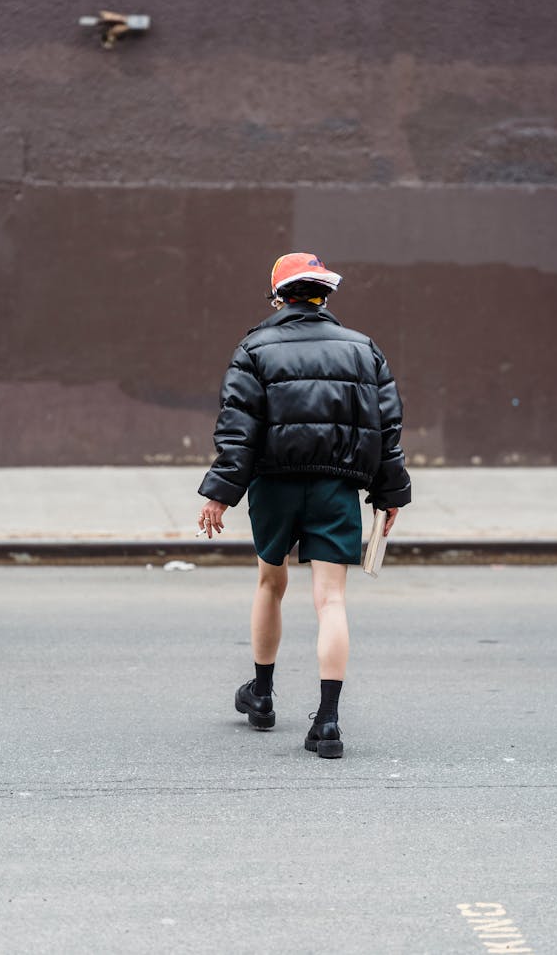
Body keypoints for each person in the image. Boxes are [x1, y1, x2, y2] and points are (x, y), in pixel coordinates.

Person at [197, 253, 411, 759]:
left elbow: (238, 431)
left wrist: (219, 493)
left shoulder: (254, 348)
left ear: (278, 297)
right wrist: (390, 493)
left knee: (271, 582)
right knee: (331, 601)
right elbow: (387, 429)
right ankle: (329, 723)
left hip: (274, 486)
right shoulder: (364, 350)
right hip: (337, 486)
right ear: (324, 297)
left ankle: (263, 697)